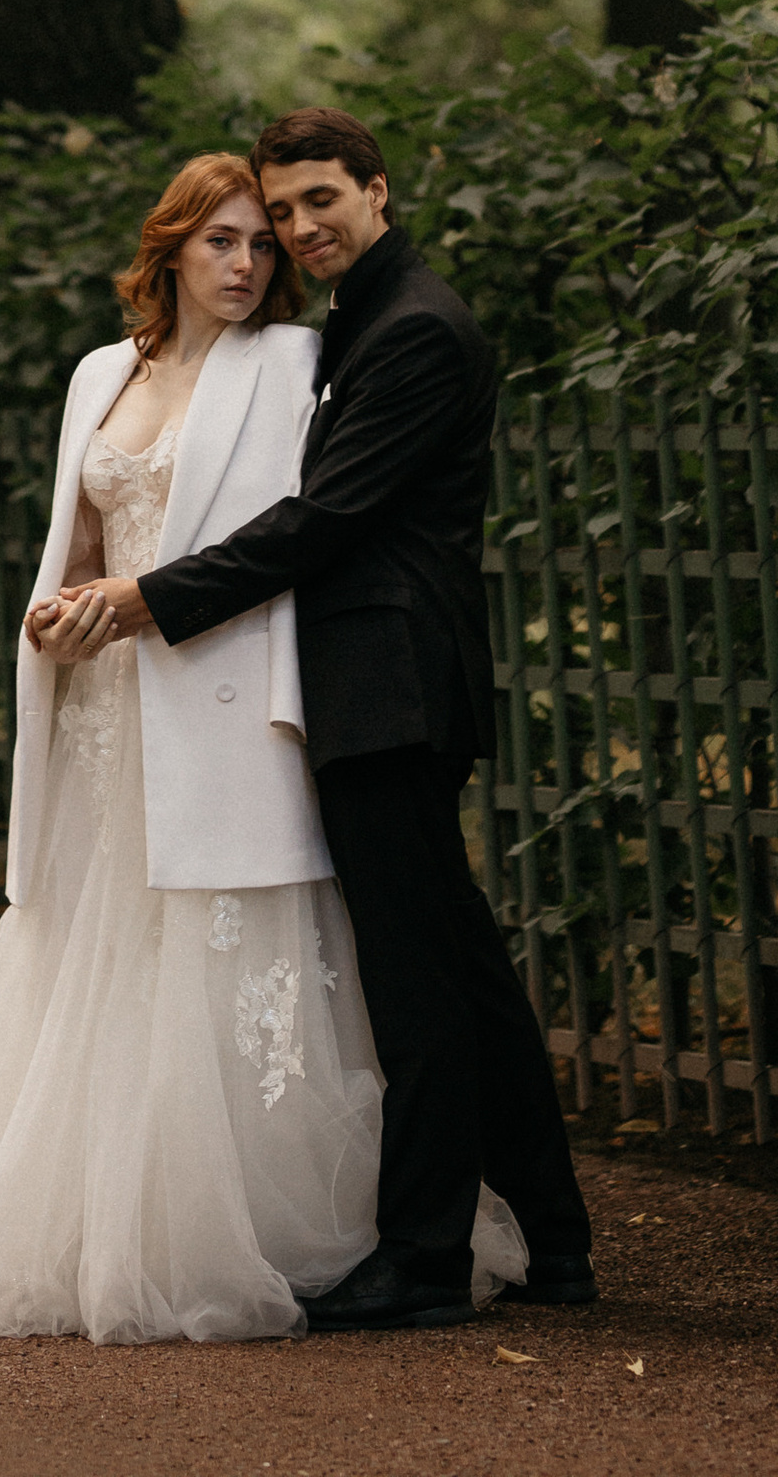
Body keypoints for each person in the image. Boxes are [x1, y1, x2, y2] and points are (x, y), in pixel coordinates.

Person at [0, 149, 522, 1346]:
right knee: (100, 945)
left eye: (264, 241)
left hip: (222, 686)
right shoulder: (96, 375)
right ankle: (98, 1220)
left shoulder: (294, 364)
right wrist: (60, 613)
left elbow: (303, 537)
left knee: (243, 952)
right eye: (224, 238)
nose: (249, 259)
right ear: (167, 247)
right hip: (110, 703)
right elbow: (74, 540)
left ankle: (278, 1229)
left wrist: (151, 612)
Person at [46, 103, 593, 1336]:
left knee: (415, 985)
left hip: (386, 684)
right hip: (369, 681)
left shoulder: (414, 333)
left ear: (378, 191)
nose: (295, 230)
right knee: (457, 968)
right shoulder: (357, 323)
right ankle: (554, 1240)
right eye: (280, 211)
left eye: (316, 204)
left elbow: (326, 523)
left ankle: (422, 1257)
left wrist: (149, 599)